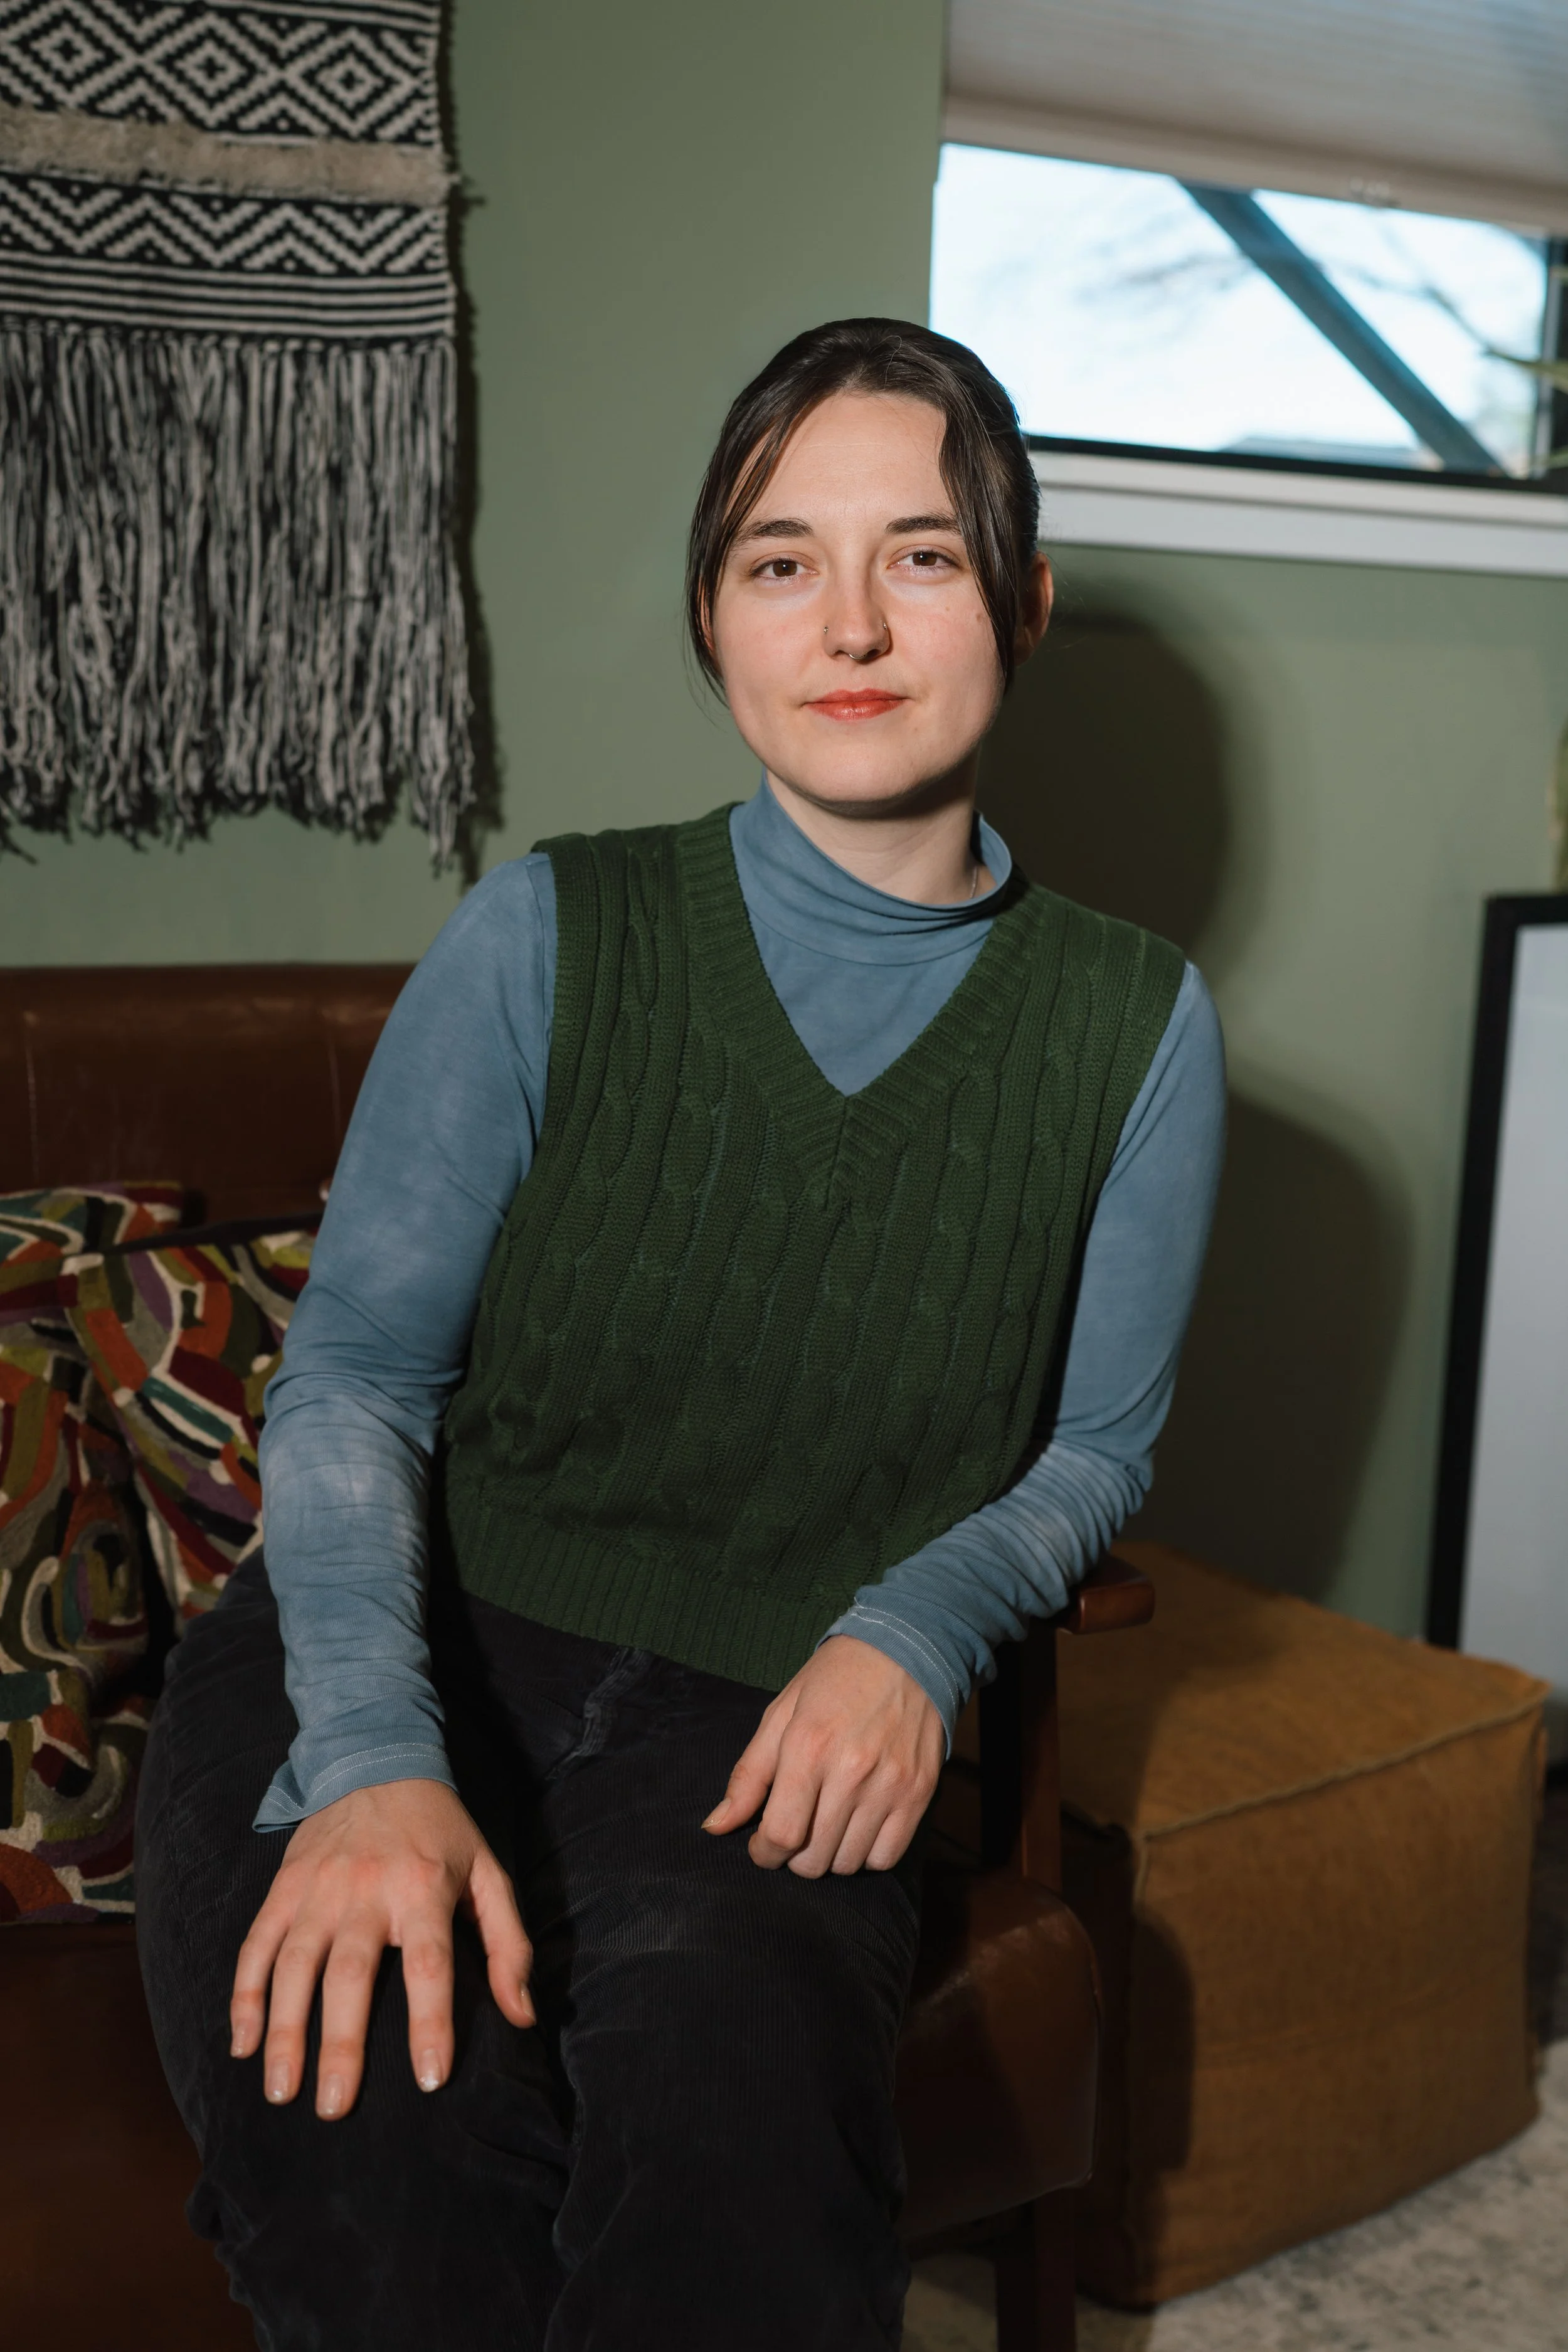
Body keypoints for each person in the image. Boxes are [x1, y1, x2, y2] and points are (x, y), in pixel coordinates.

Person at [135, 317, 1224, 2351]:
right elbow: (358, 1378)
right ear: (712, 616)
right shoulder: (551, 932)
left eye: (919, 551)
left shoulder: (1131, 1027)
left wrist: (914, 1630)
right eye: (776, 558)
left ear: (1024, 596)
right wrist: (369, 1755)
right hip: (403, 1644)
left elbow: (1093, 1451)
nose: (849, 619)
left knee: (740, 2206)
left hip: (764, 1736)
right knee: (384, 2154)